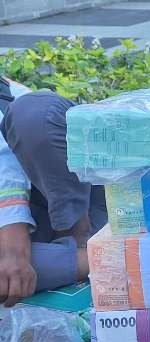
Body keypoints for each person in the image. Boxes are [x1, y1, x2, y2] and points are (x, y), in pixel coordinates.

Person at [0, 79, 104, 307]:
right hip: (36, 246)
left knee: (32, 115)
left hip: (77, 191)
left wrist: (12, 235)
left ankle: (79, 232)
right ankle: (109, 258)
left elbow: (5, 154)